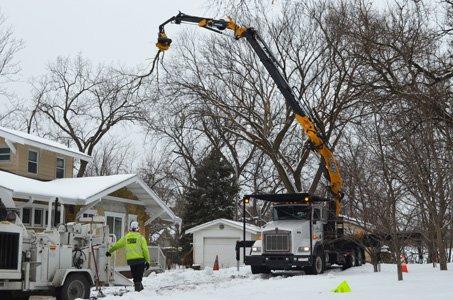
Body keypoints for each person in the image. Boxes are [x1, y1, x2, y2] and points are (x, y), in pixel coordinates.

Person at [106, 221, 150, 292]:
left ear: (130, 228)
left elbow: (117, 245)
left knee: (135, 276)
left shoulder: (126, 238)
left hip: (131, 261)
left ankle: (140, 290)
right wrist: (147, 261)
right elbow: (145, 250)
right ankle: (138, 291)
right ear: (138, 229)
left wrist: (109, 251)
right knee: (138, 276)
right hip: (140, 260)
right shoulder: (140, 238)